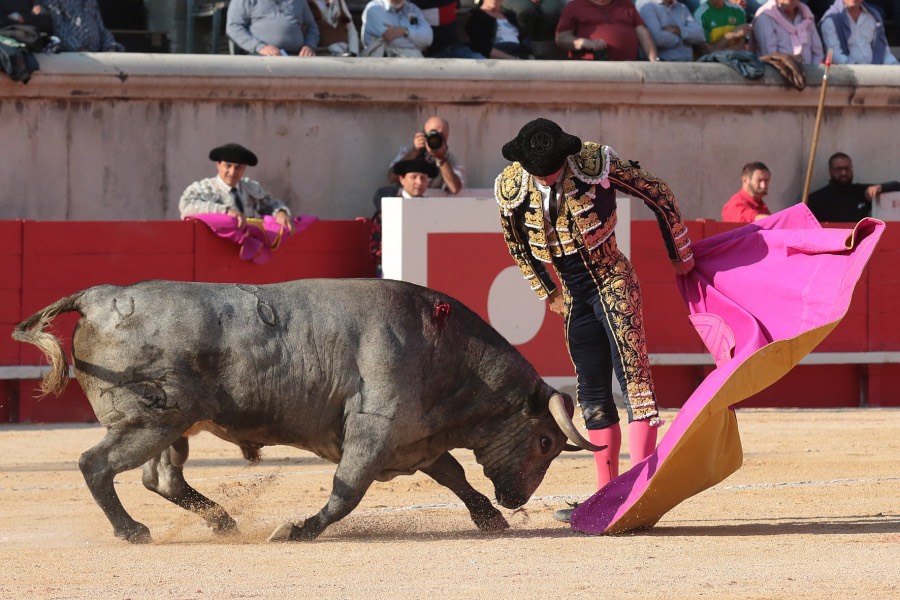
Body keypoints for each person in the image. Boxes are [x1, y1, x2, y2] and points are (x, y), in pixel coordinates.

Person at [494, 118, 695, 523]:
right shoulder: (514, 185)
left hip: (613, 279)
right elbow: (517, 242)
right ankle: (607, 495)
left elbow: (658, 193)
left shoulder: (593, 163)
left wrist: (680, 252)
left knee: (635, 382)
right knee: (592, 392)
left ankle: (641, 490)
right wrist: (547, 291)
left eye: (552, 169)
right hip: (574, 294)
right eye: (540, 172)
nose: (547, 178)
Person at [179, 143, 294, 234]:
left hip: (246, 249)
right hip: (212, 247)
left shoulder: (251, 188)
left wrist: (281, 213)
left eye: (238, 167)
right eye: (228, 165)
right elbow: (186, 207)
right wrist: (225, 211)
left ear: (244, 168)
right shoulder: (203, 188)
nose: (232, 172)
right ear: (218, 164)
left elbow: (271, 205)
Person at [370, 158, 439, 274]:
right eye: (414, 177)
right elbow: (374, 251)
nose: (419, 182)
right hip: (393, 273)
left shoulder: (433, 210)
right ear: (402, 179)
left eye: (423, 178)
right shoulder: (388, 211)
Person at [807, 152, 900, 222]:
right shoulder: (816, 199)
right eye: (839, 169)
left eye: (847, 168)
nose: (844, 173)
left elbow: (897, 186)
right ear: (830, 171)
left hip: (860, 244)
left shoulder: (862, 192)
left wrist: (880, 188)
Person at [555, 0, 660, 61]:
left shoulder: (626, 4)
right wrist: (584, 43)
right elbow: (561, 38)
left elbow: (642, 32)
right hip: (590, 71)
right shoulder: (574, 6)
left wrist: (654, 60)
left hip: (629, 70)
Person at [387, 116, 465, 194]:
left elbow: (455, 189)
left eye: (440, 135)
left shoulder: (450, 160)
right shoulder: (408, 152)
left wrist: (441, 159)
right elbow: (391, 178)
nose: (435, 139)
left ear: (446, 138)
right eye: (432, 134)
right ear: (424, 134)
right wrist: (414, 152)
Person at [226, 0, 320, 57]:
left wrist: (309, 46)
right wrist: (260, 47)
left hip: (297, 57)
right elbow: (233, 27)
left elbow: (312, 27)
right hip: (261, 57)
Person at [819, 0, 899, 65]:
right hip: (846, 76)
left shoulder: (873, 16)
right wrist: (860, 71)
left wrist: (895, 66)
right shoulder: (830, 21)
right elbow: (835, 56)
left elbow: (883, 52)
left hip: (875, 74)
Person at [753, 0, 824, 64]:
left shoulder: (806, 15)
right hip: (776, 74)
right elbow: (770, 56)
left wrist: (812, 73)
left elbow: (818, 53)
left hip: (810, 73)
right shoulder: (765, 17)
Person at [637, 0, 709, 61]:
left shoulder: (681, 7)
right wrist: (684, 39)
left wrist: (678, 30)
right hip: (662, 63)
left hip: (687, 63)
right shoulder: (646, 5)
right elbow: (658, 39)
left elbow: (700, 35)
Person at [412, 0, 485, 58]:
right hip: (431, 56)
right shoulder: (410, 5)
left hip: (457, 49)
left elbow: (475, 2)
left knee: (485, 68)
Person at [42, 0, 124, 51]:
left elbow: (101, 29)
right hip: (70, 56)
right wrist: (79, 49)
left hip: (96, 52)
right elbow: (58, 29)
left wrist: (110, 46)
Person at [361, 0, 432, 57]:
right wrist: (419, 43)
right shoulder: (374, 8)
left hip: (412, 66)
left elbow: (428, 38)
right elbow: (393, 41)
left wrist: (405, 31)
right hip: (380, 66)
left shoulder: (412, 9)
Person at [465, 0, 533, 59]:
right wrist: (509, 58)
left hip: (518, 52)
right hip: (498, 55)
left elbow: (523, 38)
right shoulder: (477, 16)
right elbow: (481, 46)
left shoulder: (510, 16)